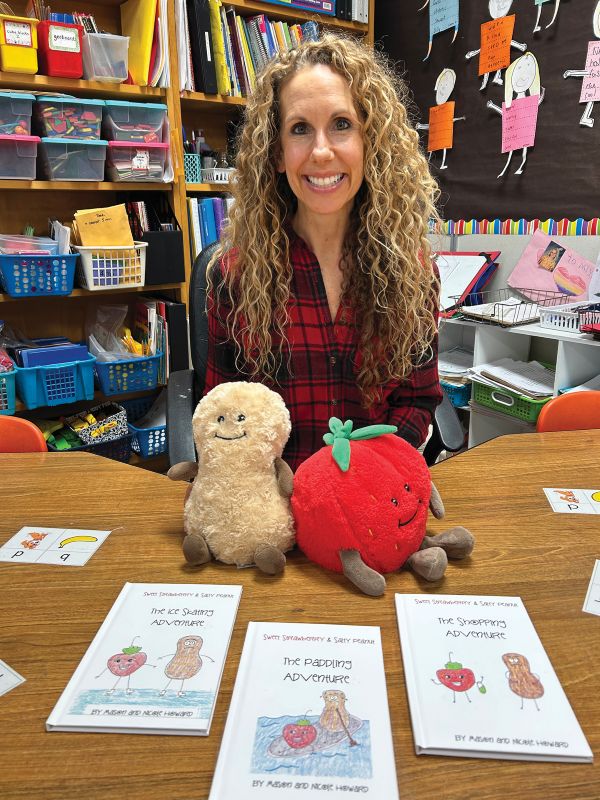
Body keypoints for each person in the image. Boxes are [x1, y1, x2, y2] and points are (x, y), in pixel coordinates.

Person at [203, 33, 442, 472]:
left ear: (372, 142)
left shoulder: (415, 273)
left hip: (371, 502)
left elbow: (417, 402)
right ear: (276, 152)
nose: (321, 151)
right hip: (274, 511)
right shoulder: (234, 276)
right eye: (299, 129)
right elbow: (223, 416)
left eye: (341, 124)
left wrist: (369, 481)